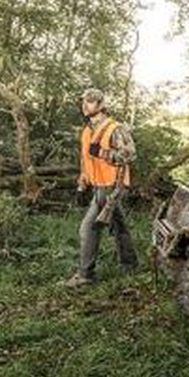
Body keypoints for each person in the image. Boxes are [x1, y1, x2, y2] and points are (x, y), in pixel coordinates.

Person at [62, 88, 138, 287]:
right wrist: (82, 184)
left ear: (101, 105)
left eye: (90, 101)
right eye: (84, 101)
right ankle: (130, 265)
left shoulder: (115, 129)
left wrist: (104, 153)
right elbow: (85, 160)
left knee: (88, 228)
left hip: (113, 186)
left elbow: (130, 155)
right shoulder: (87, 130)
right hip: (97, 186)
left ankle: (85, 275)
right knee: (119, 226)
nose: (85, 104)